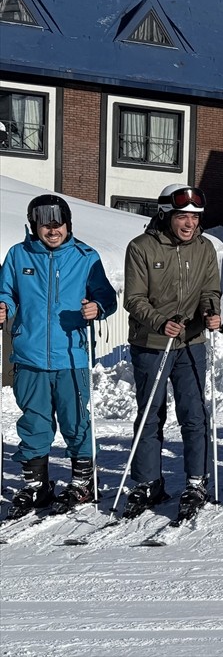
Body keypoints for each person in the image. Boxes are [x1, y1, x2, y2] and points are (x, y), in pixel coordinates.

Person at [0, 195, 117, 520]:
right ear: (34, 225)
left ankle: (83, 481)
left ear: (68, 225)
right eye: (45, 224)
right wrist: (4, 307)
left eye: (58, 224)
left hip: (72, 356)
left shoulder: (85, 256)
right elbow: (6, 291)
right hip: (30, 355)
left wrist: (98, 308)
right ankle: (37, 485)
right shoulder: (18, 254)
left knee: (76, 419)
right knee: (33, 421)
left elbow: (107, 297)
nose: (52, 230)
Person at [123, 184, 222, 520]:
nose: (189, 223)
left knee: (194, 415)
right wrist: (160, 322)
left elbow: (210, 289)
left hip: (191, 343)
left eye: (194, 217)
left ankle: (196, 481)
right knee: (150, 415)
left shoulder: (205, 248)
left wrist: (210, 311)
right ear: (165, 214)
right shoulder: (141, 248)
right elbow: (133, 299)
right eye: (182, 216)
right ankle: (148, 481)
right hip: (151, 344)